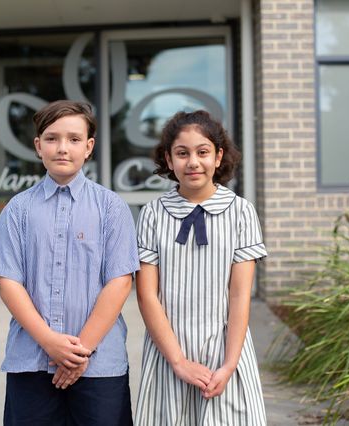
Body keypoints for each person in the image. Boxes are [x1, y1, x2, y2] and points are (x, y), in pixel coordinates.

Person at [0, 100, 139, 426]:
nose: (62, 148)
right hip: (32, 360)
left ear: (89, 147)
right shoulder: (18, 209)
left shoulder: (111, 207)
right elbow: (8, 282)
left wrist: (81, 353)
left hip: (100, 363)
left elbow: (120, 281)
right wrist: (50, 342)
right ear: (38, 146)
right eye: (52, 138)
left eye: (74, 139)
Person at [134, 110, 267, 425]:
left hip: (225, 352)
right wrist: (178, 361)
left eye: (203, 152)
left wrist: (229, 365)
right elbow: (147, 295)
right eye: (182, 153)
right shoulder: (152, 214)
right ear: (169, 160)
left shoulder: (241, 212)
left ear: (218, 157)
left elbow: (239, 295)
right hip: (169, 352)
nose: (193, 162)